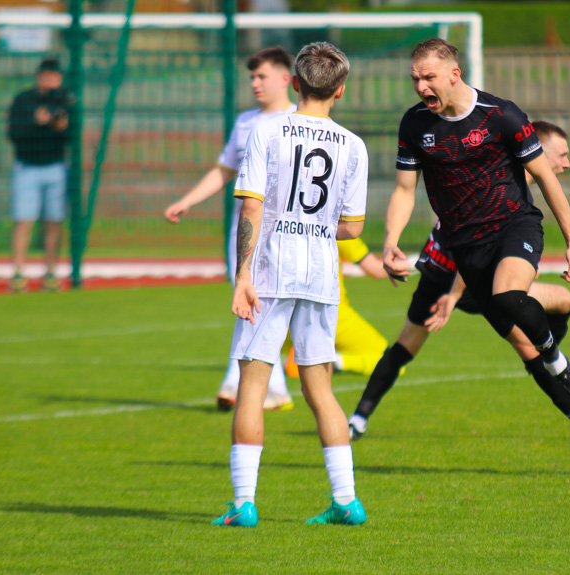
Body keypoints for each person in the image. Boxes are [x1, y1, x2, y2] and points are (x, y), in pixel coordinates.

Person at [380, 39, 570, 477]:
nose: (420, 86)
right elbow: (404, 189)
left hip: (515, 227)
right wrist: (390, 240)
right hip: (466, 249)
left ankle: (561, 360)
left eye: (428, 77)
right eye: (414, 78)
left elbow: (546, 179)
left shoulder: (500, 115)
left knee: (510, 295)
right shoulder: (415, 125)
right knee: (527, 353)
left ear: (454, 73)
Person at [212, 42, 369, 527]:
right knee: (319, 388)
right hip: (321, 275)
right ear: (340, 89)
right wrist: (316, 226)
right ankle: (346, 500)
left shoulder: (266, 130)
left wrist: (242, 275)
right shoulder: (354, 145)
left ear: (296, 83)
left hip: (270, 271)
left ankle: (243, 504)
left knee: (253, 385)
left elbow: (252, 207)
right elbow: (353, 228)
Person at [164, 47, 295, 412]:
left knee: (260, 304)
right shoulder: (244, 122)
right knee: (251, 302)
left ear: (285, 79)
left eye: (262, 76)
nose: (255, 83)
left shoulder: (298, 120)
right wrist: (188, 200)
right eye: (251, 77)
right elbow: (224, 170)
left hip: (283, 231)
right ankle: (273, 388)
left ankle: (235, 382)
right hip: (244, 232)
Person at [7, 57, 73, 293]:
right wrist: (35, 122)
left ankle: (51, 272)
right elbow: (13, 134)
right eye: (46, 78)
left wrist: (60, 126)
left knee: (54, 222)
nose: (49, 83)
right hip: (27, 167)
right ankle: (18, 273)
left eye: (54, 79)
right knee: (23, 220)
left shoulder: (66, 100)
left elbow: (72, 135)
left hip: (55, 167)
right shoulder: (23, 100)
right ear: (38, 77)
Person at [285, 236, 390, 378]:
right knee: (392, 361)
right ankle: (335, 362)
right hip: (329, 312)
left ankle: (283, 365)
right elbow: (377, 270)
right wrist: (416, 263)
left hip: (282, 310)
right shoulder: (337, 225)